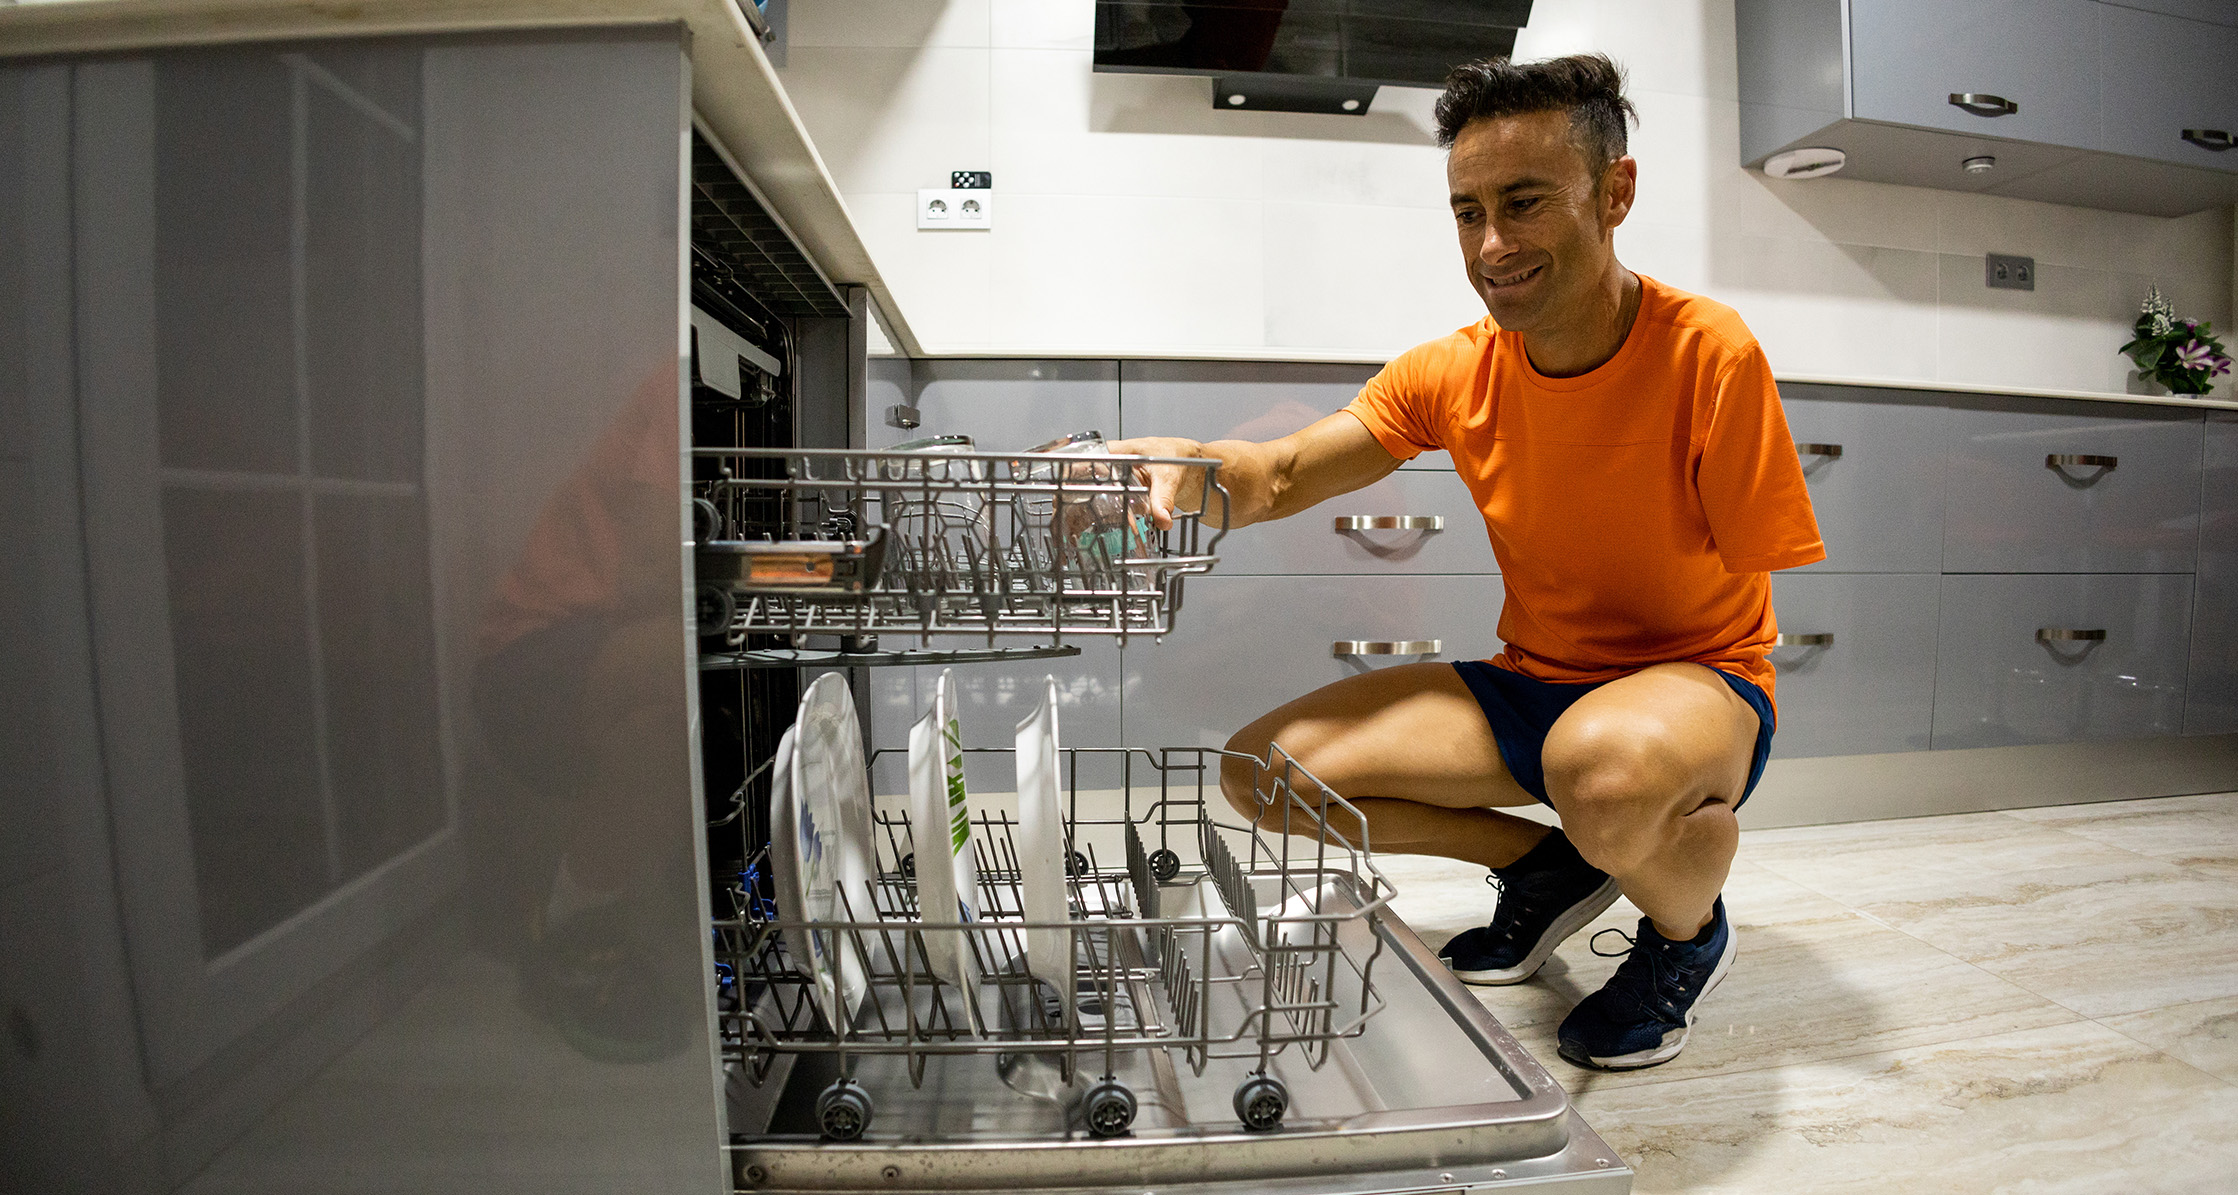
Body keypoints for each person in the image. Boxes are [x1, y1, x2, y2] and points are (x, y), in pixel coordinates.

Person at [1113, 53, 1824, 1071]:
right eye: (1467, 212)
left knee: (1601, 769)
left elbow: (1755, 578)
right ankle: (1546, 866)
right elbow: (1278, 474)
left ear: (1614, 193)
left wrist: (1664, 759)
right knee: (1264, 772)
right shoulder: (1452, 370)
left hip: (1699, 685)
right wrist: (1182, 465)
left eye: (1524, 203)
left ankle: (1686, 931)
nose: (1492, 245)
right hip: (1535, 686)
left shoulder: (1711, 354)